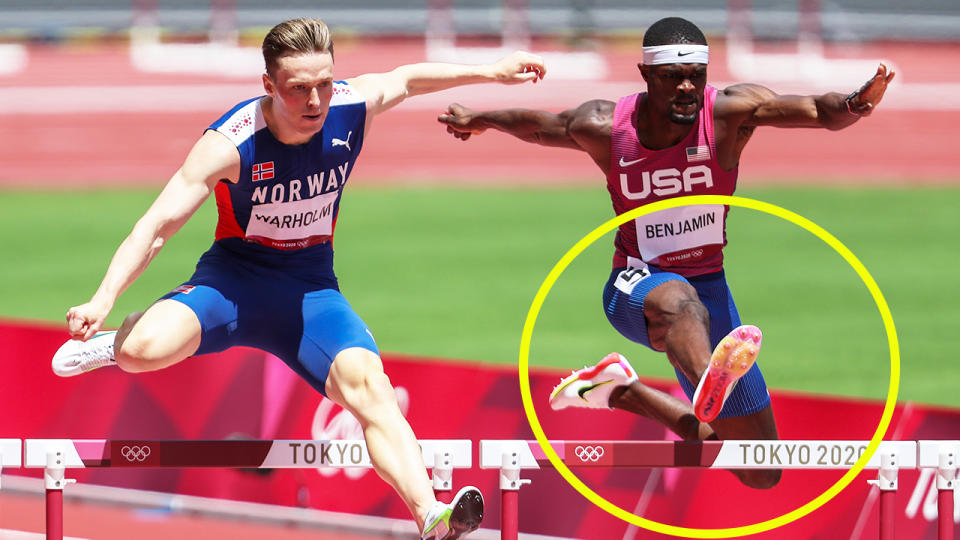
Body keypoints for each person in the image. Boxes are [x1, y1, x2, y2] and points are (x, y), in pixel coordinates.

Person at [51, 18, 545, 539]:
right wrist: (103, 297)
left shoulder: (351, 105)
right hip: (233, 284)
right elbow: (156, 228)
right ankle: (116, 343)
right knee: (141, 351)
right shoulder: (230, 142)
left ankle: (431, 516)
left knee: (371, 388)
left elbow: (406, 78)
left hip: (310, 292)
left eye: (324, 83)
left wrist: (491, 70)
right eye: (299, 88)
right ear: (269, 85)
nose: (316, 100)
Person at [438, 16, 894, 489]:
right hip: (636, 285)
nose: (685, 88)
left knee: (760, 468)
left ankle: (621, 390)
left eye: (695, 76)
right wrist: (481, 120)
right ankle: (708, 379)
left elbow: (822, 112)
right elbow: (539, 126)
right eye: (671, 77)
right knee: (680, 303)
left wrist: (856, 102)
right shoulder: (604, 126)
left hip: (710, 289)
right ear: (645, 75)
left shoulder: (729, 113)